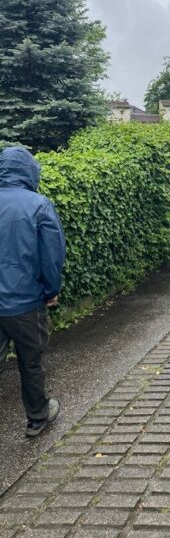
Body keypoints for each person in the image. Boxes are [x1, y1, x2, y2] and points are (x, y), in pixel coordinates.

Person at [0, 146, 66, 437]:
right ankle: (38, 417)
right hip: (25, 303)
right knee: (30, 361)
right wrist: (51, 290)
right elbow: (52, 255)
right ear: (29, 170)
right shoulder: (38, 204)